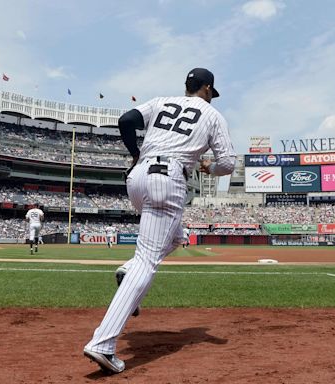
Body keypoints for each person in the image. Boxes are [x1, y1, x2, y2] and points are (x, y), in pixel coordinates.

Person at [83, 67, 236, 374]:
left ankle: (128, 271)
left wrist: (136, 153)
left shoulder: (162, 101)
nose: (211, 96)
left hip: (137, 178)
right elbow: (229, 163)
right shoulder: (212, 115)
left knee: (177, 237)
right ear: (206, 89)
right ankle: (103, 343)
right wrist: (209, 168)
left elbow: (126, 121)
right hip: (168, 179)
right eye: (211, 92)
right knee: (148, 260)